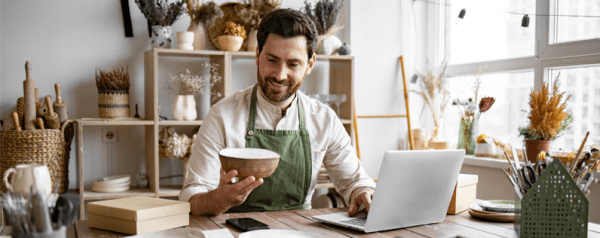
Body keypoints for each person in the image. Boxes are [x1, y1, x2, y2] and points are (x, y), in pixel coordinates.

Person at [180, 8, 375, 216]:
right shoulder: (222, 116)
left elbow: (355, 181)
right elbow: (192, 198)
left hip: (300, 231)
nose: (280, 75)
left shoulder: (324, 119)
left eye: (293, 64)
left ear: (310, 64)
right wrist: (219, 199)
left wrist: (362, 192)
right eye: (272, 60)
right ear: (257, 55)